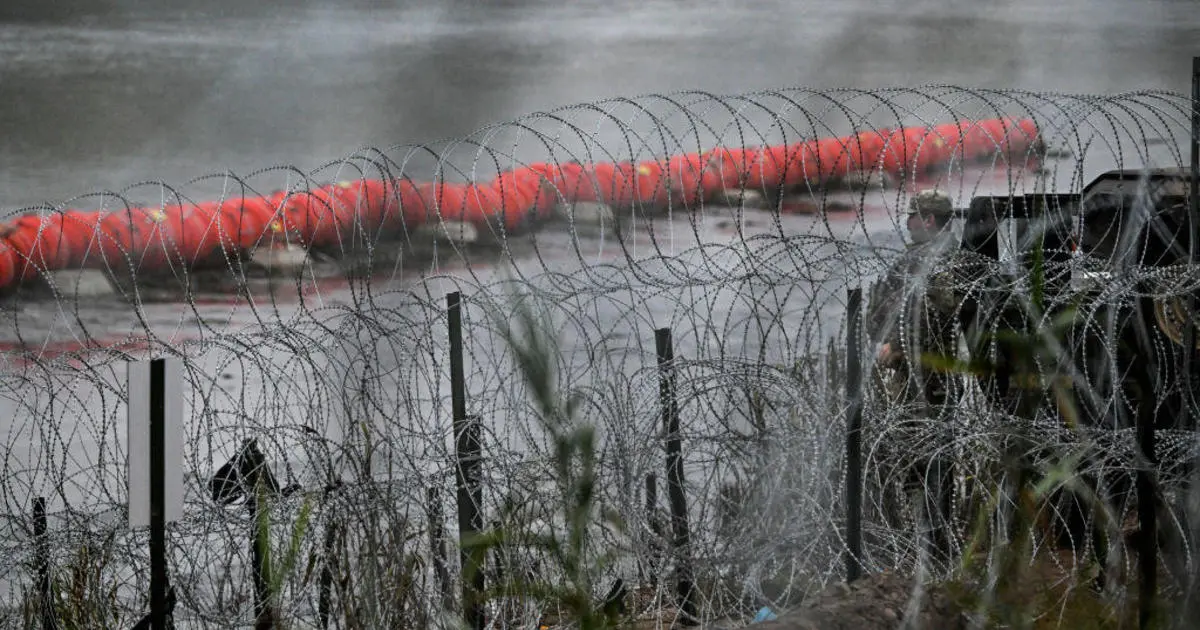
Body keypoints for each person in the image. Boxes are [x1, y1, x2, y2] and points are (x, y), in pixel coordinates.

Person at [866, 189, 964, 414]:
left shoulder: (936, 260)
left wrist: (899, 345)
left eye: (912, 216)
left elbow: (934, 310)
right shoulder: (940, 255)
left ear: (928, 220)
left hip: (924, 374)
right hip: (926, 371)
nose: (908, 223)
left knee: (915, 436)